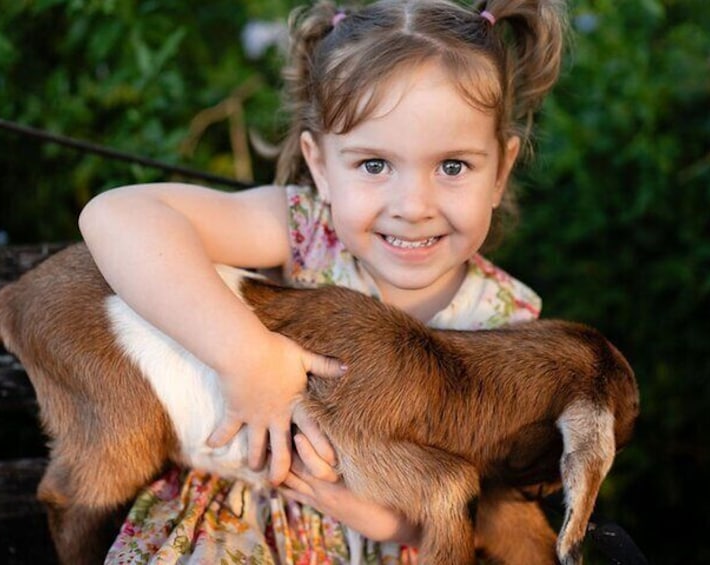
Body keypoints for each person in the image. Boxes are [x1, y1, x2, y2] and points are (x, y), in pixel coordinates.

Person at [79, 0, 568, 562]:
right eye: (373, 165)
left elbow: (497, 502)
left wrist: (399, 526)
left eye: (453, 166)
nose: (413, 206)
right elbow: (113, 216)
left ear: (501, 171)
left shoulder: (506, 325)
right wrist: (246, 355)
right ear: (319, 166)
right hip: (245, 524)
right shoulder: (305, 231)